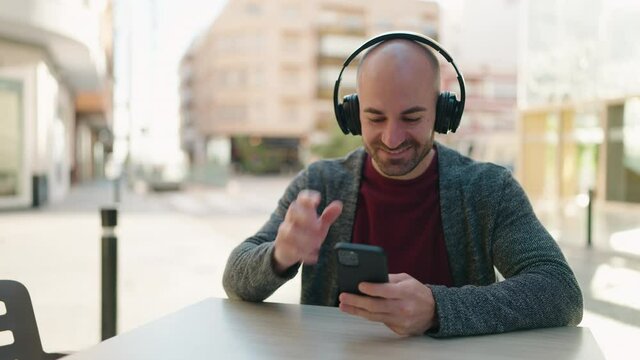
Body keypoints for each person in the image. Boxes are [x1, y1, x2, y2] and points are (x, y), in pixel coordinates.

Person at [222, 32, 583, 338]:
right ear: (352, 115)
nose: (392, 138)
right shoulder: (320, 183)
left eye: (412, 117)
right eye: (375, 118)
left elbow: (561, 292)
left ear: (443, 112)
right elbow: (235, 279)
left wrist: (438, 309)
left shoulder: (489, 189)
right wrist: (279, 256)